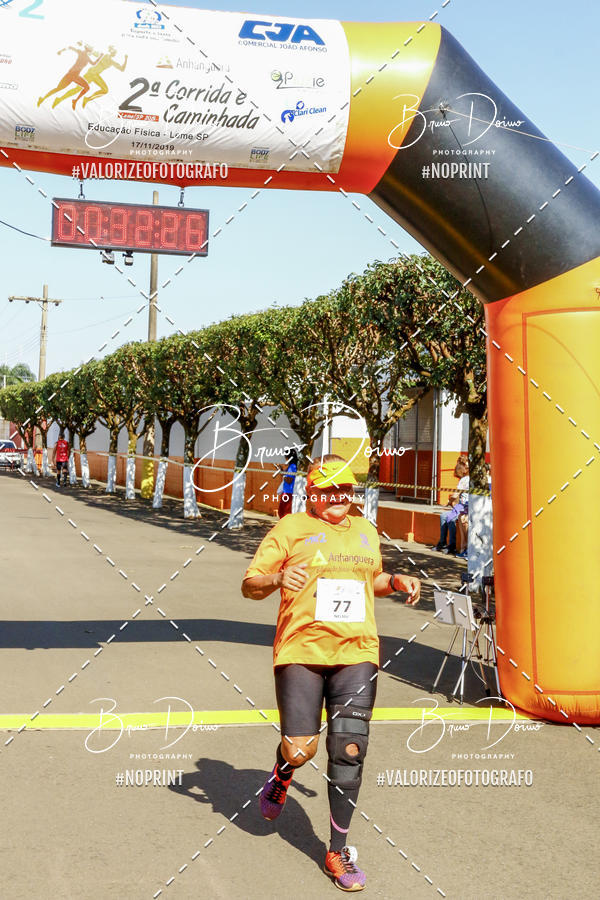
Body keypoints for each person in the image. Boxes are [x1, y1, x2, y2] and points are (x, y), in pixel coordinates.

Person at [241, 454, 420, 892]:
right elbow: (250, 585)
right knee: (302, 748)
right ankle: (283, 772)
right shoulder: (290, 530)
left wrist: (394, 581)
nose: (340, 497)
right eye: (331, 490)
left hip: (357, 651)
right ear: (313, 494)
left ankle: (336, 850)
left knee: (350, 749)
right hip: (301, 650)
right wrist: (280, 577)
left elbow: (368, 582)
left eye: (347, 490)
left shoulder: (365, 531)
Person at [277, 448, 298, 519]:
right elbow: (285, 475)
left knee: (284, 512)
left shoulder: (292, 467)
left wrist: (284, 476)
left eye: (285, 456)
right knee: (282, 512)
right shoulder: (291, 466)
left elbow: (289, 480)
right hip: (286, 492)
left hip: (288, 492)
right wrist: (280, 469)